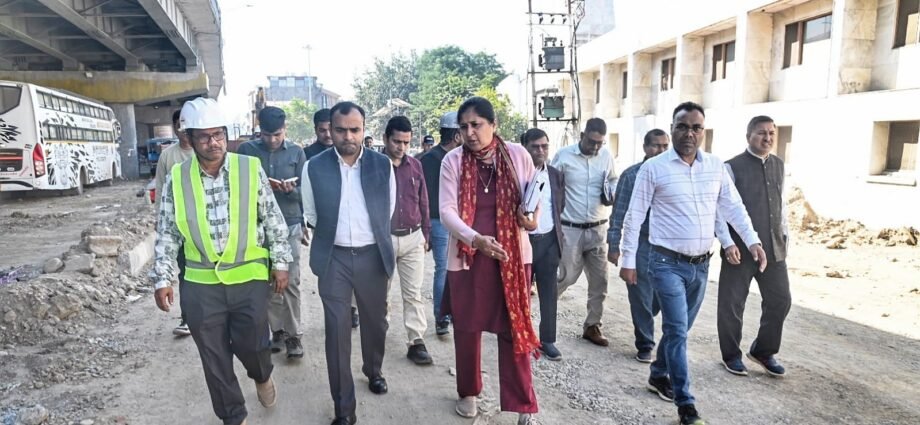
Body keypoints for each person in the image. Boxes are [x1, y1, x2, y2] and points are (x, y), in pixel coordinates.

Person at [619, 101, 767, 425]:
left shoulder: (715, 167)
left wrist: (752, 240)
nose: (689, 133)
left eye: (696, 128)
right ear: (672, 129)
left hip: (701, 266)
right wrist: (628, 259)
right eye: (682, 127)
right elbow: (634, 216)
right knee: (677, 331)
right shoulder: (654, 168)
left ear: (703, 131)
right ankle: (686, 405)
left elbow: (733, 207)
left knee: (679, 330)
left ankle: (658, 373)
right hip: (665, 262)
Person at [151, 97, 293, 425]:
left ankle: (261, 375)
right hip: (201, 283)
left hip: (248, 278)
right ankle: (234, 416)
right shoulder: (177, 177)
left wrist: (281, 262)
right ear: (189, 138)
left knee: (254, 346)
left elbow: (272, 218)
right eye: (204, 137)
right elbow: (167, 231)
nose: (213, 143)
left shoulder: (249, 169)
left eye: (218, 135)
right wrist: (163, 277)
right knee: (213, 357)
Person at [440, 97, 541, 425]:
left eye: (476, 125)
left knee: (515, 328)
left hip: (513, 259)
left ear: (494, 125)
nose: (469, 133)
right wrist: (476, 240)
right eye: (464, 126)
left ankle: (523, 403)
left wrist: (530, 220)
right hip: (468, 258)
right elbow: (446, 212)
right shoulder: (453, 161)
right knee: (467, 329)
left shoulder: (518, 155)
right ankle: (469, 392)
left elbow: (534, 200)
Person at [301, 101, 396, 425]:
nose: (348, 137)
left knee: (375, 323)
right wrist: (335, 235)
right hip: (334, 259)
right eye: (341, 130)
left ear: (364, 129)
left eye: (355, 130)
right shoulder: (314, 167)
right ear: (331, 129)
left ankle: (373, 370)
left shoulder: (382, 165)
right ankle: (344, 409)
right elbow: (310, 213)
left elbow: (388, 209)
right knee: (337, 331)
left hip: (372, 256)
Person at [716, 115, 792, 378]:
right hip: (739, 249)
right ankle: (731, 356)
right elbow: (719, 209)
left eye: (772, 133)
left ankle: (763, 351)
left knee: (781, 299)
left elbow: (781, 205)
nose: (767, 138)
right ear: (748, 136)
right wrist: (727, 243)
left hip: (773, 247)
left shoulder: (779, 165)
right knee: (732, 304)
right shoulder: (731, 167)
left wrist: (785, 237)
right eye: (761, 133)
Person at [237, 106, 307, 359]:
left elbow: (307, 193)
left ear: (285, 129)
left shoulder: (297, 153)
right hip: (257, 227)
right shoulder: (246, 152)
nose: (272, 140)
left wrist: (291, 190)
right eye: (267, 135)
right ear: (259, 131)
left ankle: (294, 335)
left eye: (277, 134)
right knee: (266, 282)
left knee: (291, 281)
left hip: (289, 224)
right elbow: (237, 188)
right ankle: (276, 330)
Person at [551, 117, 617, 347]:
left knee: (600, 281)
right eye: (592, 141)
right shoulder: (564, 156)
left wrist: (612, 191)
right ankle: (545, 318)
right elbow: (552, 186)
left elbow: (613, 179)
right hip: (570, 228)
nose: (596, 147)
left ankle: (592, 326)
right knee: (566, 276)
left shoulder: (606, 156)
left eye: (600, 143)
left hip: (598, 229)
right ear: (582, 136)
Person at [607, 129, 670, 363]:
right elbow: (619, 212)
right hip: (641, 243)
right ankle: (645, 344)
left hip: (668, 246)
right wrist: (614, 245)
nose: (660, 151)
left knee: (661, 297)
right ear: (645, 148)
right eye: (655, 146)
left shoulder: (675, 174)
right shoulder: (632, 175)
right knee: (640, 295)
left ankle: (646, 320)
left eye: (665, 146)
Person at [381, 116, 433, 365]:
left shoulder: (415, 165)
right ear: (385, 139)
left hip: (413, 237)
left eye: (406, 142)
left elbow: (423, 200)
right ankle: (378, 333)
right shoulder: (375, 166)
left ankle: (416, 340)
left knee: (413, 292)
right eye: (396, 141)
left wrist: (426, 233)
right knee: (382, 292)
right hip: (384, 239)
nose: (401, 147)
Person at [521, 128, 565, 361]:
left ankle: (548, 340)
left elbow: (559, 205)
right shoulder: (517, 174)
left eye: (544, 146)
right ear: (525, 148)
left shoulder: (555, 175)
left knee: (549, 293)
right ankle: (521, 336)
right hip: (524, 242)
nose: (541, 151)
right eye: (535, 146)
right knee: (521, 293)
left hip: (549, 241)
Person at [419, 111, 463, 336]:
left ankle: (452, 311)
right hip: (438, 222)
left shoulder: (457, 158)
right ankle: (441, 316)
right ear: (456, 136)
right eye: (463, 131)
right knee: (443, 269)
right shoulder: (430, 160)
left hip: (458, 221)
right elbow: (422, 195)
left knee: (456, 268)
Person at [154, 109, 196, 337]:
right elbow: (161, 190)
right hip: (178, 225)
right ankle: (188, 318)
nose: (183, 129)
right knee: (185, 273)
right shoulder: (167, 157)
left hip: (203, 226)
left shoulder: (203, 153)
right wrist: (160, 221)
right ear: (175, 127)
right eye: (179, 124)